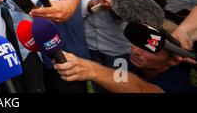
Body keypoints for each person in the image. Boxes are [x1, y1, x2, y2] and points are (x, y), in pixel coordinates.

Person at [54, 45, 196, 93]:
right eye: (136, 42)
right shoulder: (126, 60)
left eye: (149, 49)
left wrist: (90, 69)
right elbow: (119, 81)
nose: (136, 51)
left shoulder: (180, 84)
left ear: (174, 60)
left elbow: (142, 90)